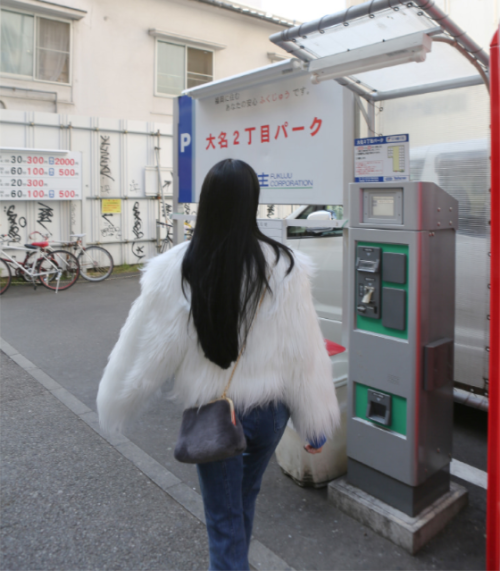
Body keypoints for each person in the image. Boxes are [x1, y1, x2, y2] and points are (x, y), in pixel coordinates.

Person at [97, 158, 340, 571]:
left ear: (206, 202)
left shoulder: (175, 267)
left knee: (224, 519)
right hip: (270, 414)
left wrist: (118, 399)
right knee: (243, 498)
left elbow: (149, 348)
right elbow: (305, 350)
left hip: (214, 414)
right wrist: (314, 419)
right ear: (252, 203)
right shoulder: (286, 265)